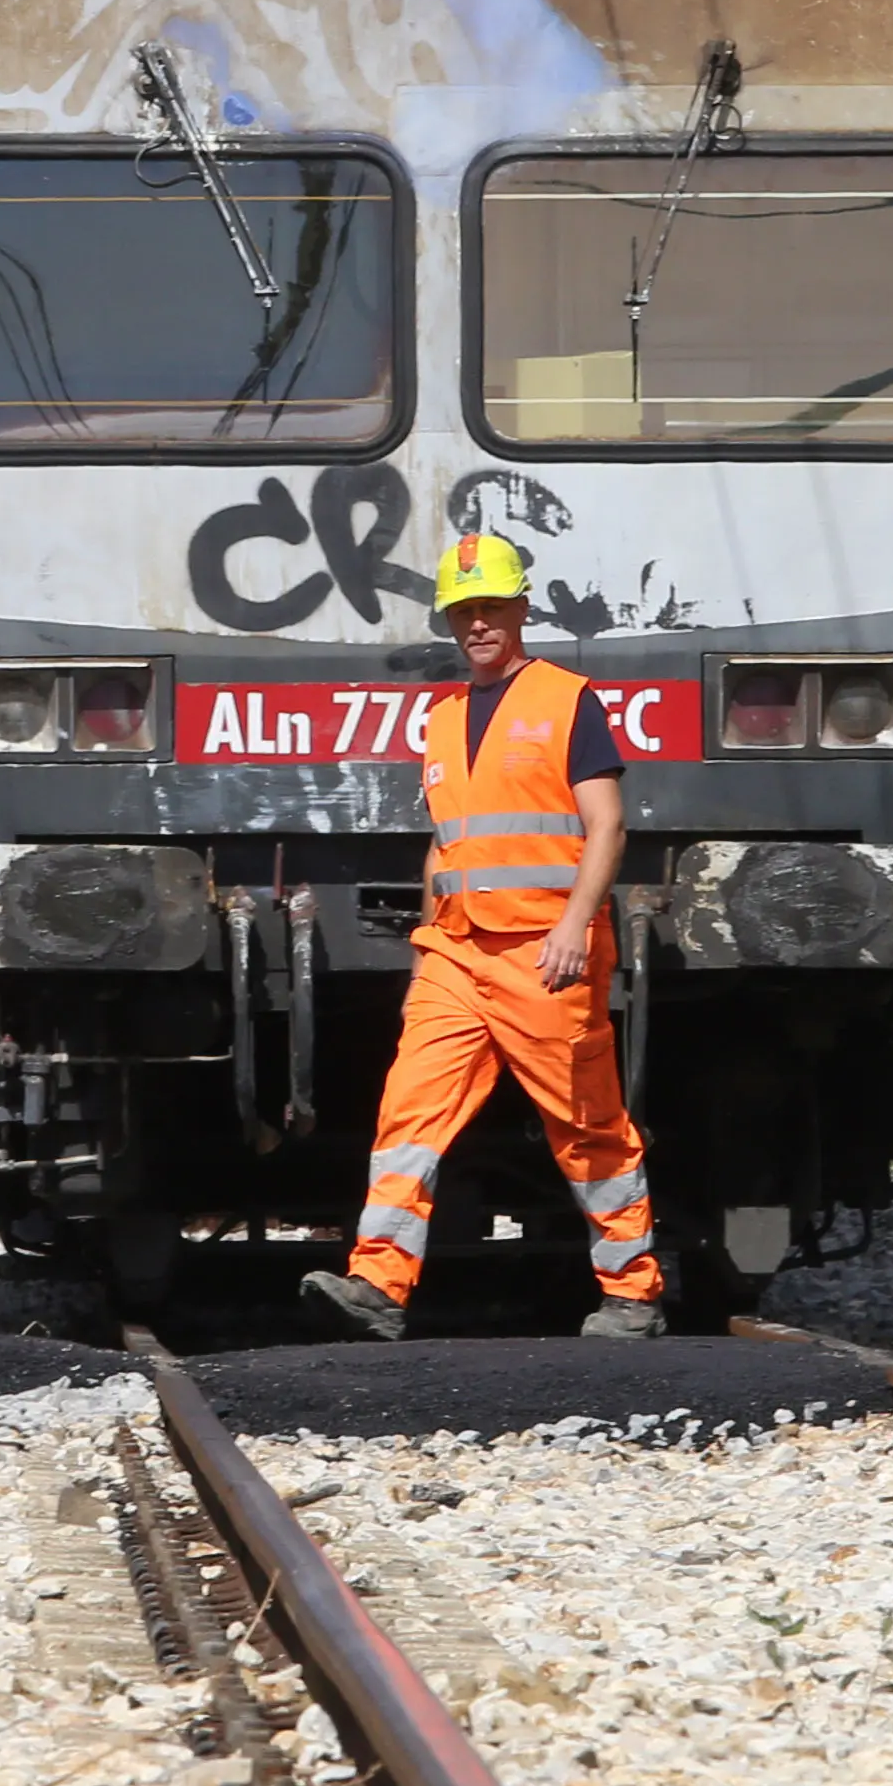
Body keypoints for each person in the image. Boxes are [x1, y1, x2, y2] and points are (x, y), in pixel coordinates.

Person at [302, 533, 666, 1343]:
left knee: (587, 1127)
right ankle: (378, 1286)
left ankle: (633, 1293)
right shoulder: (443, 719)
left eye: (490, 608)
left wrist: (575, 924)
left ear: (520, 610)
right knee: (408, 1115)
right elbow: (447, 838)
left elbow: (606, 826)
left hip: (546, 952)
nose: (476, 624)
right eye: (463, 611)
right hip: (459, 955)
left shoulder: (568, 701)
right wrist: (433, 929)